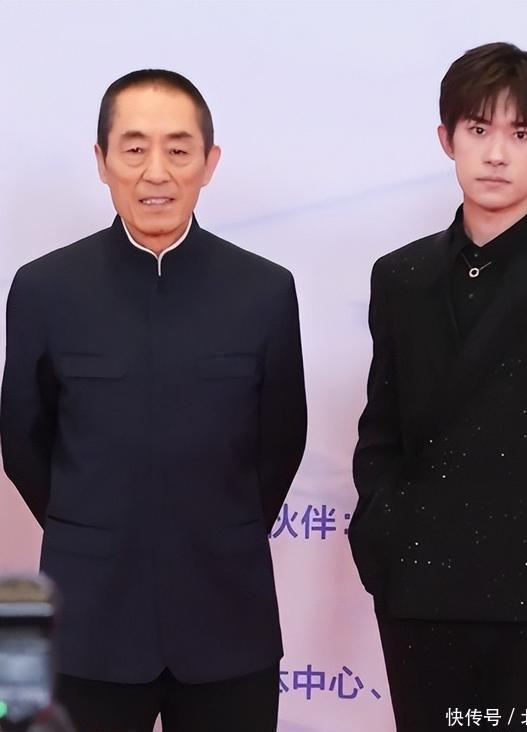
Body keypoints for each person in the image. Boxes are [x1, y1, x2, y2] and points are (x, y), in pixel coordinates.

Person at [0, 69, 307, 732]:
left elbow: (281, 442)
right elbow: (23, 441)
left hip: (229, 617)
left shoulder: (265, 291)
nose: (156, 172)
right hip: (89, 623)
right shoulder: (44, 289)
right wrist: (90, 521)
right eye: (134, 149)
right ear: (102, 160)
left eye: (179, 149)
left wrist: (216, 525)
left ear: (209, 163)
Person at [349, 42, 527, 731]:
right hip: (418, 593)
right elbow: (381, 430)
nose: (497, 154)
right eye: (478, 130)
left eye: (521, 134)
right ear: (446, 139)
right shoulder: (401, 276)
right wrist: (384, 537)